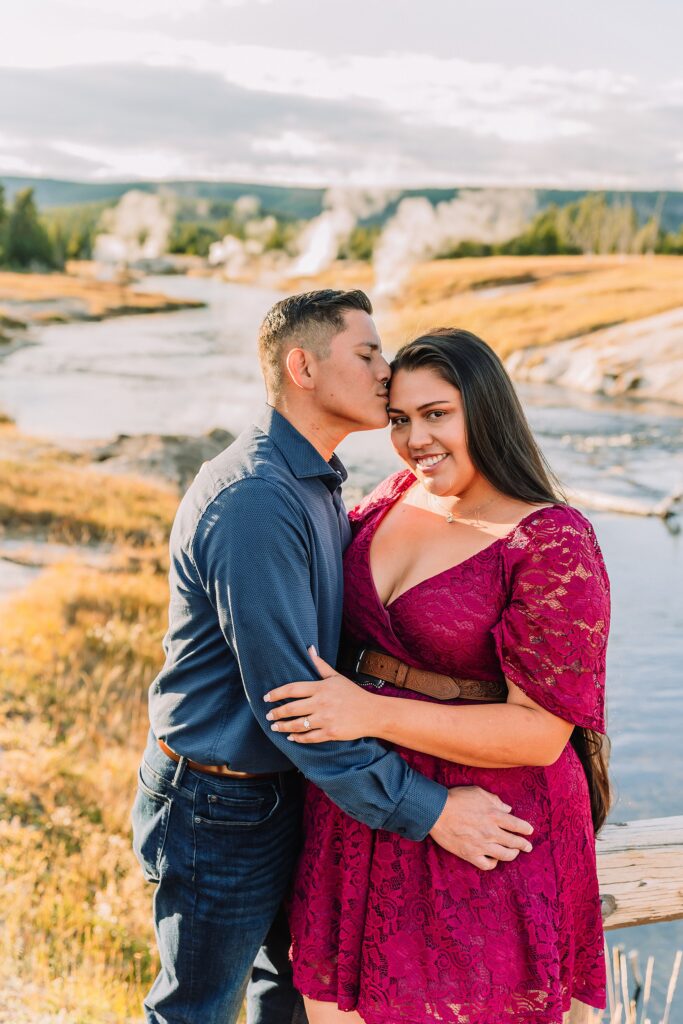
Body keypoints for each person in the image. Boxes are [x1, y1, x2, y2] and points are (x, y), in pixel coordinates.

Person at [131, 298, 535, 1024]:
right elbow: (293, 702)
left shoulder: (320, 480)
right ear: (303, 367)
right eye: (368, 355)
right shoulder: (257, 498)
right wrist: (430, 808)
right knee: (196, 1009)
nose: (387, 373)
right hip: (221, 800)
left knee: (283, 997)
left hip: (288, 792)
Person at [265, 328, 611, 1024]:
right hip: (367, 814)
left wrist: (369, 714)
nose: (415, 438)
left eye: (436, 414)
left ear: (484, 410)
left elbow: (542, 733)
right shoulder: (394, 494)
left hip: (484, 832)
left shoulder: (549, 539)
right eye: (399, 418)